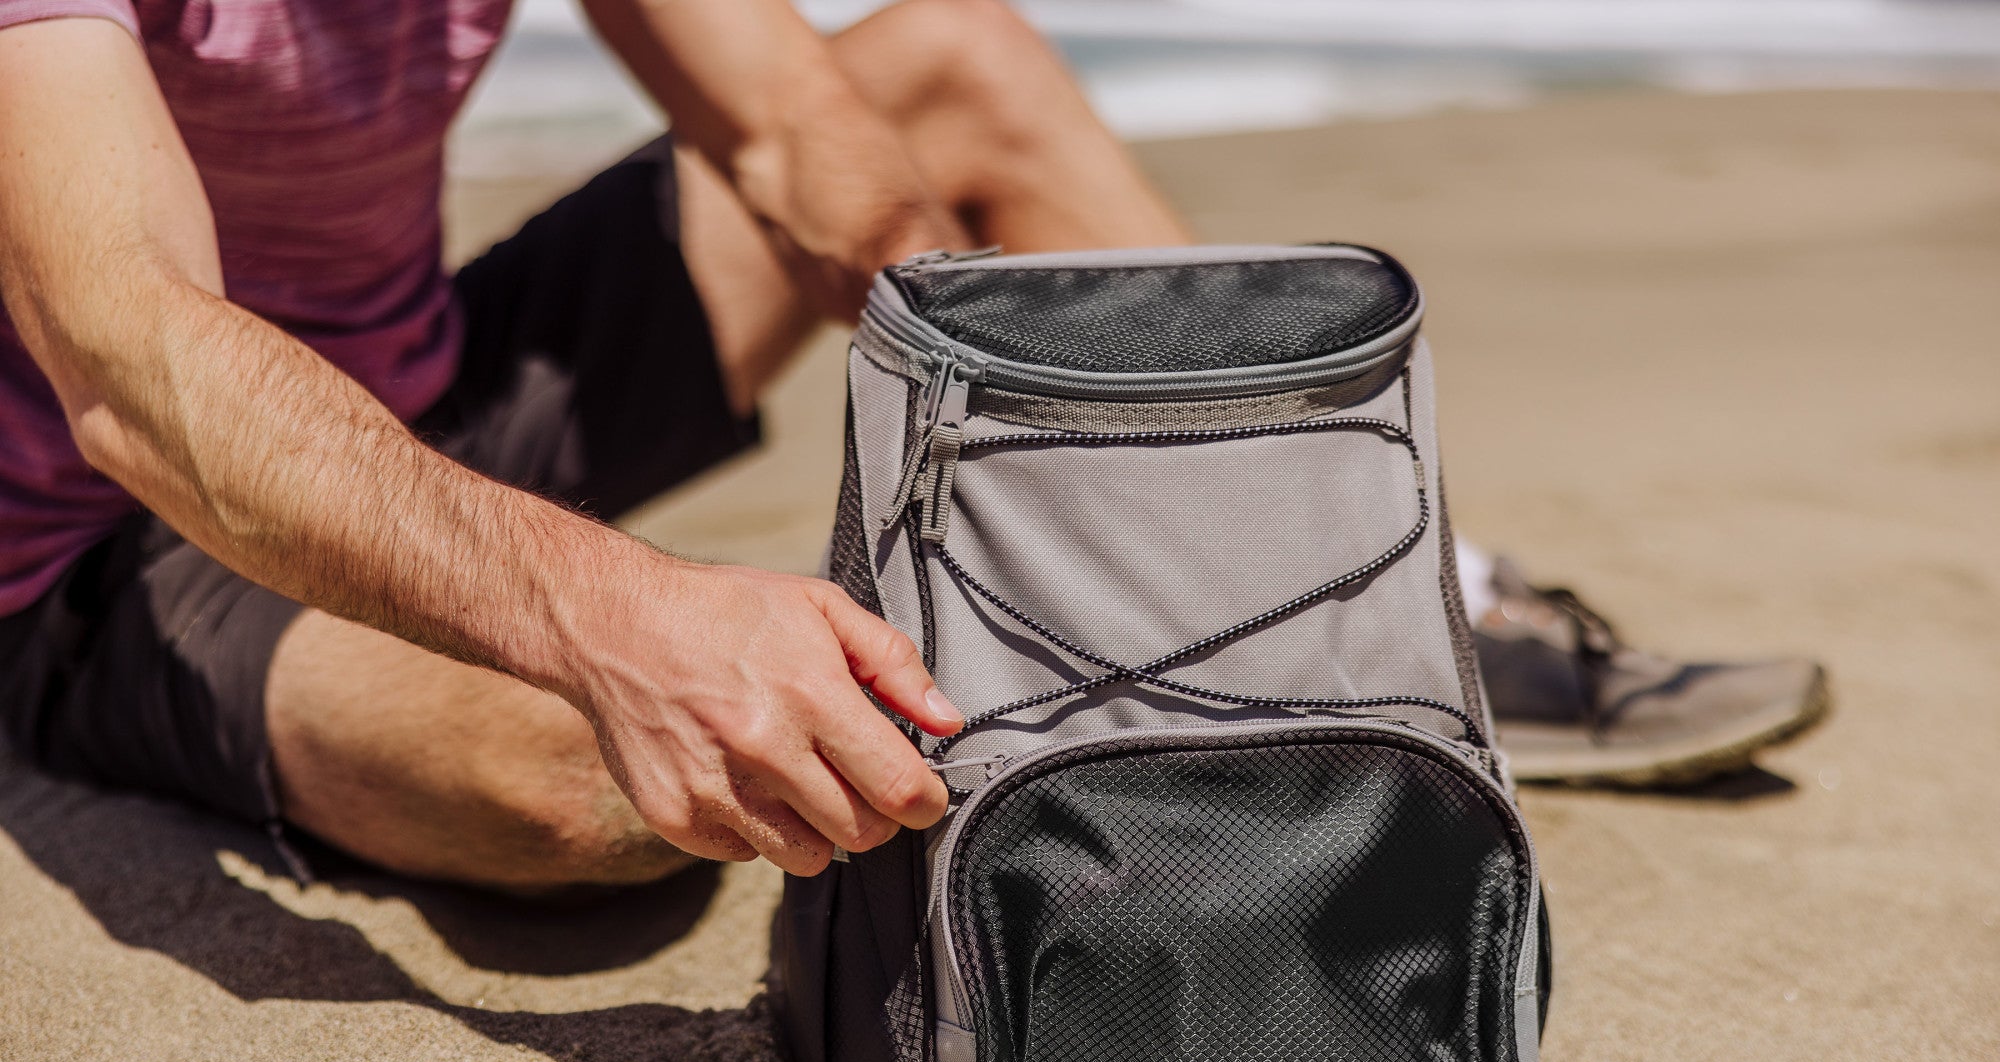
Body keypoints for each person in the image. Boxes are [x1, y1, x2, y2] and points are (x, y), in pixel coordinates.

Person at [0, 0, 1825, 893]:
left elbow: (816, 146)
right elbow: (136, 366)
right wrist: (625, 617)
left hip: (431, 383)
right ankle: (1092, 701)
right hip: (108, 541)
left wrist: (1064, 461)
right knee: (584, 785)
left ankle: (1360, 610)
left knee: (945, 75)